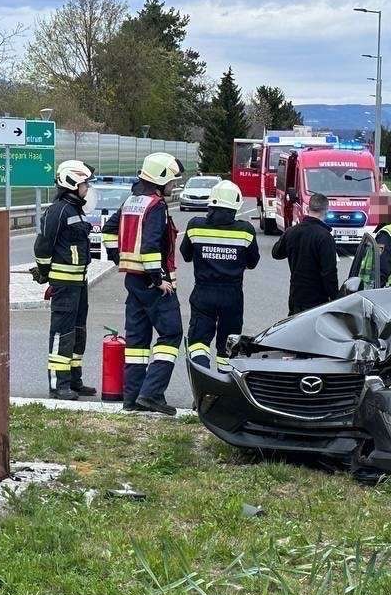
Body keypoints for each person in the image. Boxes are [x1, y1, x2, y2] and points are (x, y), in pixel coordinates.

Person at [101, 152, 183, 416]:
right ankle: (152, 394)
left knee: (137, 342)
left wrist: (119, 258)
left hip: (132, 281)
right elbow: (150, 246)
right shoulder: (156, 205)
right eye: (171, 181)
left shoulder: (132, 200)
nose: (173, 186)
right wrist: (158, 279)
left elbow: (108, 231)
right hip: (152, 283)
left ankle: (131, 398)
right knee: (171, 333)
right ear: (160, 178)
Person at [33, 160, 97, 400]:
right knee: (62, 333)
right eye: (84, 183)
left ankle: (73, 380)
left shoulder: (75, 210)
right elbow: (43, 244)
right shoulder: (58, 210)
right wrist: (44, 271)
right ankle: (58, 386)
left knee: (78, 331)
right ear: (72, 183)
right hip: (64, 283)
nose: (87, 188)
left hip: (79, 282)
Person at [180, 180, 259, 371]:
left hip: (203, 292)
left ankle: (202, 385)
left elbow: (186, 255)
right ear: (235, 206)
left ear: (211, 203)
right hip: (232, 294)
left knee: (198, 342)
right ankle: (223, 389)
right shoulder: (245, 231)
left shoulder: (195, 226)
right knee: (229, 344)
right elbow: (252, 262)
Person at [272, 192, 337, 314]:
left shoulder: (292, 231)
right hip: (318, 300)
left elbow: (276, 253)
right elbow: (329, 272)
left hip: (296, 296)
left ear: (308, 208)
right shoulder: (325, 237)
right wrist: (335, 298)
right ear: (326, 211)